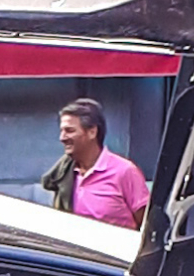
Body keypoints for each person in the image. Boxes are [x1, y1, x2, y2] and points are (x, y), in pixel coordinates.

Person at [41, 96, 149, 231]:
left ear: (92, 132)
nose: (62, 138)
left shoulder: (125, 171)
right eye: (62, 131)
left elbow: (147, 226)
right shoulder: (65, 173)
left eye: (69, 131)